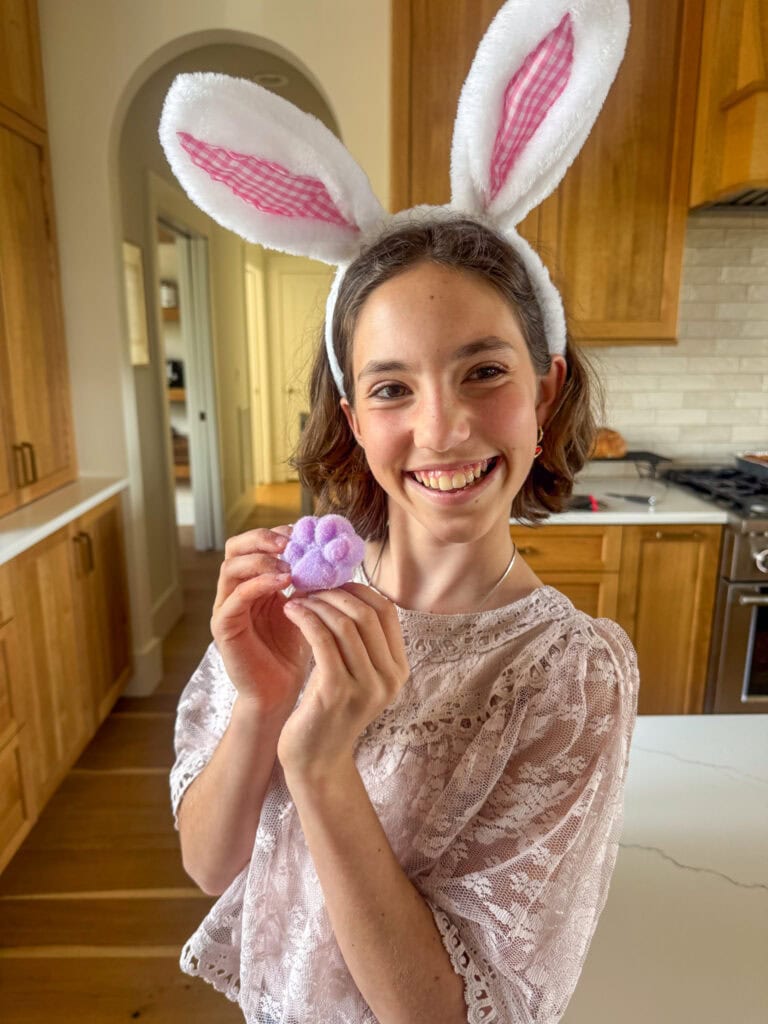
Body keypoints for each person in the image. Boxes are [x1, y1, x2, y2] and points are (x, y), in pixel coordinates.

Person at [161, 3, 636, 1022]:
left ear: (545, 390)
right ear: (353, 416)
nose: (443, 429)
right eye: (391, 388)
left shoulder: (567, 679)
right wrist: (261, 704)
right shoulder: (289, 605)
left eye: (484, 371)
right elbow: (209, 864)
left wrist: (320, 764)